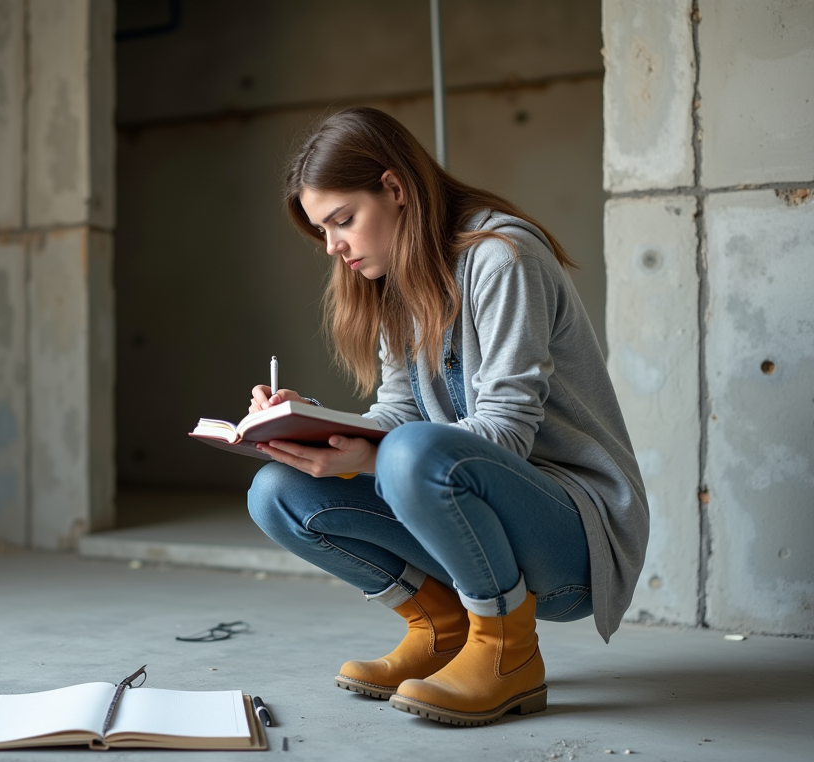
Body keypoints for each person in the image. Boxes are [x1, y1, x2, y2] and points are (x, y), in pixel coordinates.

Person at [246, 107, 648, 727]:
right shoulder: (393, 286)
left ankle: (506, 650)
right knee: (277, 492)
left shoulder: (502, 257)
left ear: (396, 188)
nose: (333, 247)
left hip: (573, 536)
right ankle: (441, 626)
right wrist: (307, 422)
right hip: (473, 513)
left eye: (343, 221)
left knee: (408, 453)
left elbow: (506, 433)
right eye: (322, 231)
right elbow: (397, 412)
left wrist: (380, 453)